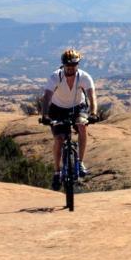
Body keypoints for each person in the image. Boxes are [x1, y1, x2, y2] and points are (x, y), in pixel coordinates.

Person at [40, 48, 98, 191]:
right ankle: (57, 171)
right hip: (57, 109)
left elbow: (92, 96)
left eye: (74, 65)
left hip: (78, 107)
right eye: (68, 66)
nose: (71, 68)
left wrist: (94, 113)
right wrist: (45, 116)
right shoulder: (55, 77)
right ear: (63, 65)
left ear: (77, 65)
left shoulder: (84, 77)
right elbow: (47, 96)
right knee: (59, 139)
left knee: (82, 126)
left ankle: (79, 162)